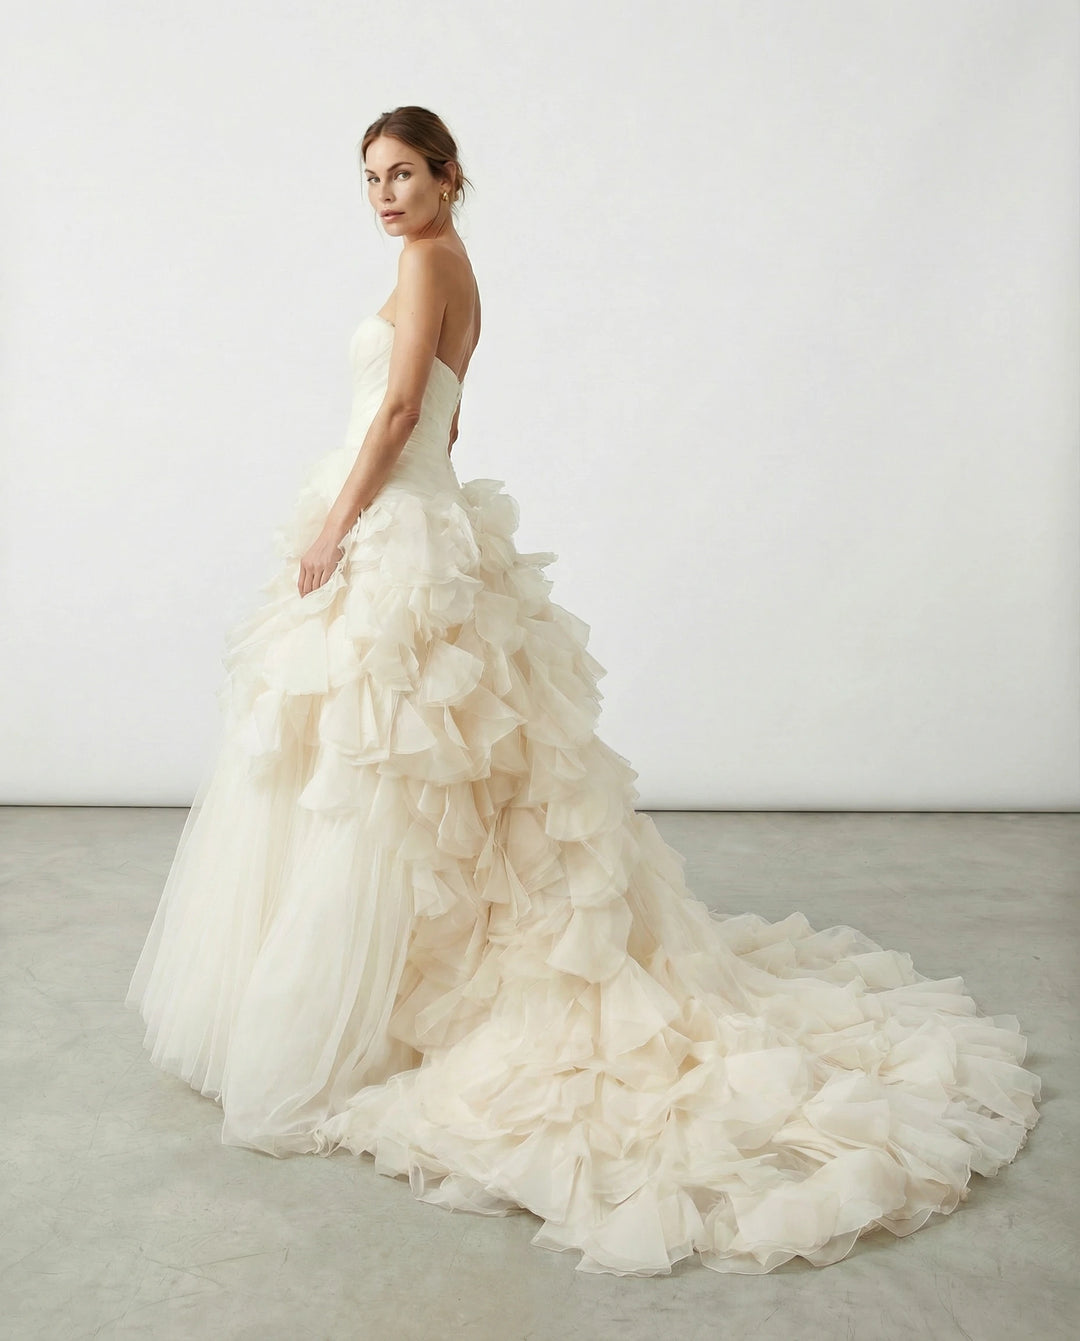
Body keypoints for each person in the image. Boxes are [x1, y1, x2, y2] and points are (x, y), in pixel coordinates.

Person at [125, 105, 1042, 1277]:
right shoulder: (454, 267)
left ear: (452, 175)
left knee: (376, 774)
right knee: (414, 776)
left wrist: (336, 527)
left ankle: (351, 1021)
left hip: (392, 528)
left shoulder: (424, 264)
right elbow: (448, 422)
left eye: (404, 172)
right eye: (370, 178)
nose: (386, 194)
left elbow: (406, 413)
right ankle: (382, 995)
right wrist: (408, 497)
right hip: (422, 519)